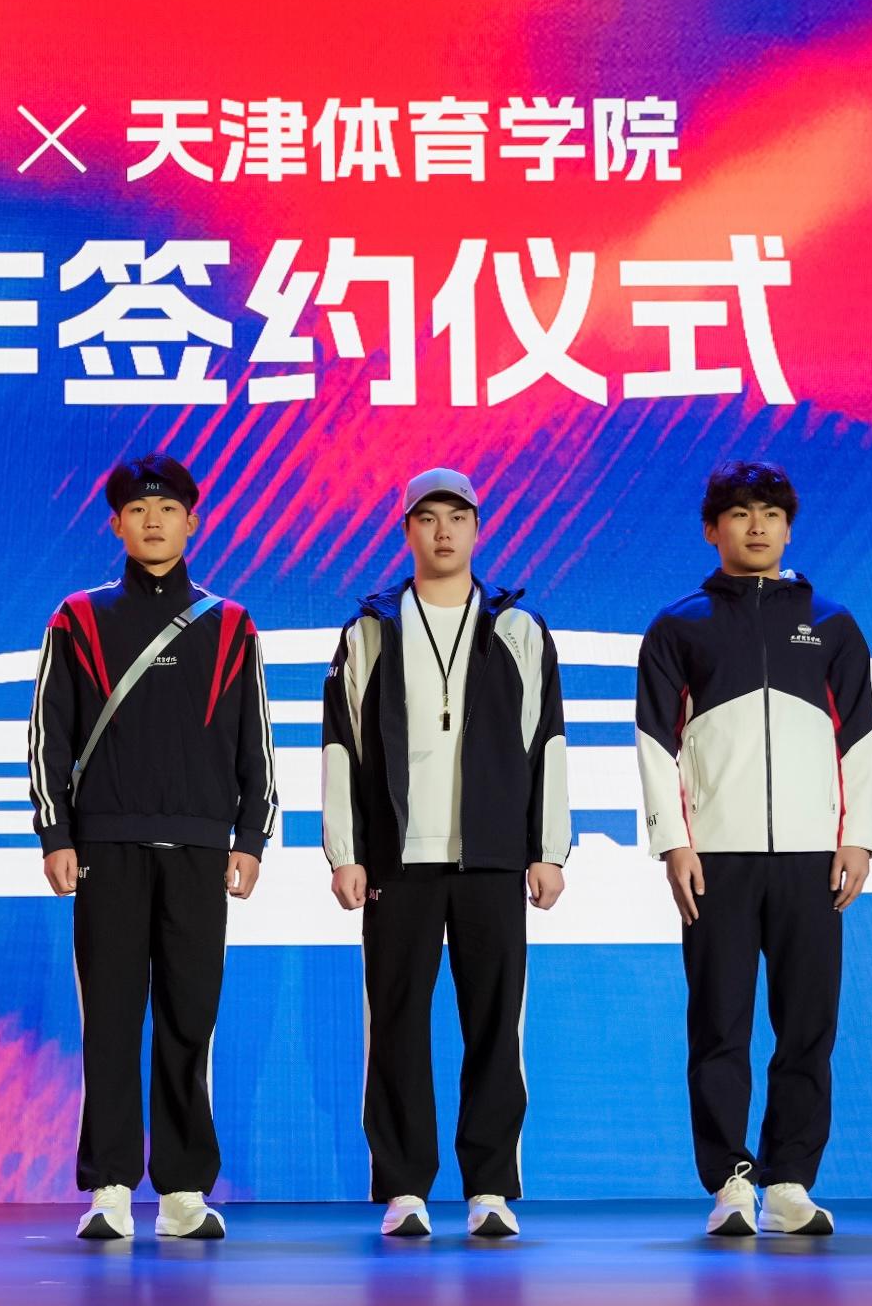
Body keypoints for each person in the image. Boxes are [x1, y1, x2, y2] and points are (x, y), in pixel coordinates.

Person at [26, 453, 274, 1242]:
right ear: (117, 525)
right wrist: (55, 833)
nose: (154, 521)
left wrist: (250, 838)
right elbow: (48, 733)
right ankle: (108, 1187)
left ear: (193, 522)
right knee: (109, 1020)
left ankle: (183, 1192)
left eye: (168, 510)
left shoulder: (231, 623)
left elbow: (255, 740)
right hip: (106, 847)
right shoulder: (77, 617)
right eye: (138, 510)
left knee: (188, 1019)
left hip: (200, 850)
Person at [321, 469, 568, 1239]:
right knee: (397, 1026)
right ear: (407, 531)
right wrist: (345, 851)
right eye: (427, 518)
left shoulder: (518, 630)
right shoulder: (369, 630)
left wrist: (548, 849)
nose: (443, 532)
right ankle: (405, 1188)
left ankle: (490, 1188)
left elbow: (547, 742)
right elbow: (341, 745)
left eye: (457, 517)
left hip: (493, 858)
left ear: (478, 528)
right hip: (398, 859)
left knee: (494, 1025)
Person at [635, 462, 872, 1237]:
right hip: (718, 858)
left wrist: (859, 839)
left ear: (790, 527)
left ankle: (790, 1182)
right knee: (719, 1025)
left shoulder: (833, 624)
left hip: (813, 858)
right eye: (740, 513)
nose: (758, 526)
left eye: (771, 513)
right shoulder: (680, 626)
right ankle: (730, 1184)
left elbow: (858, 741)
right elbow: (655, 743)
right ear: (713, 529)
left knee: (808, 1027)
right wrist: (674, 843)